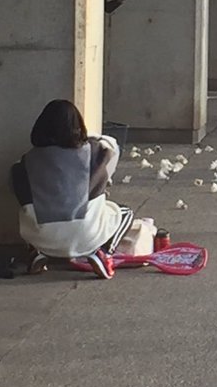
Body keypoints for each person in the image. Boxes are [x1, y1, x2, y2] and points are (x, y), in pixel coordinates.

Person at [9, 99, 135, 279]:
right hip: (87, 235)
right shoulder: (95, 151)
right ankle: (104, 252)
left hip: (41, 236)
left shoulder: (25, 162)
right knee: (126, 212)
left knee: (29, 212)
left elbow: (17, 192)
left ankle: (37, 252)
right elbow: (112, 149)